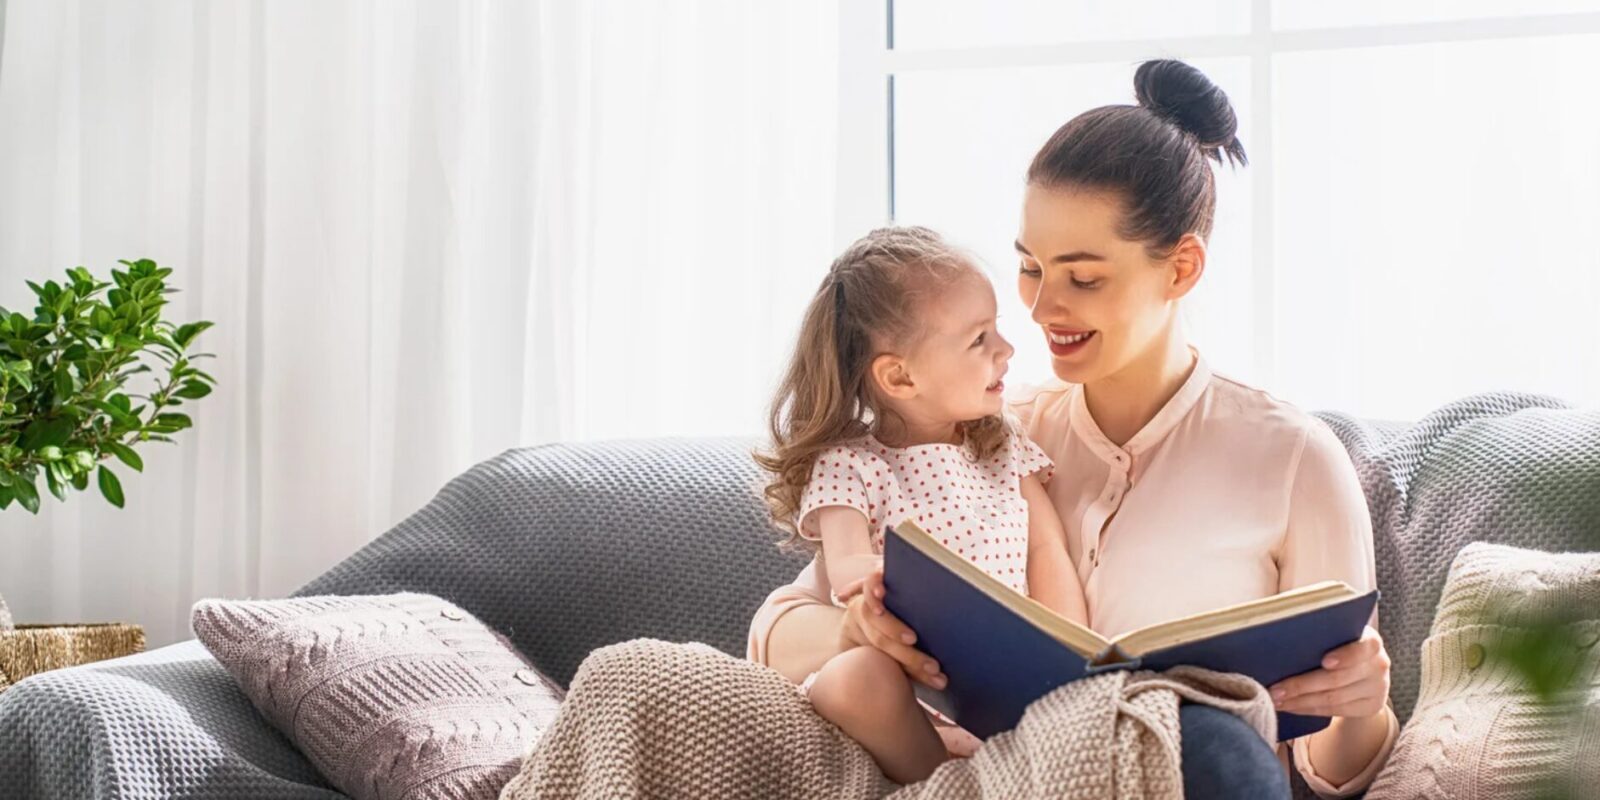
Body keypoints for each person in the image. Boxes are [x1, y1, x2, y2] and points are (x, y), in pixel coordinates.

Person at [747, 59, 1397, 798]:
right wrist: (853, 632)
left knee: (1210, 740)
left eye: (1082, 278)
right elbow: (779, 629)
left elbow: (1329, 772)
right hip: (999, 775)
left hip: (1194, 779)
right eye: (1030, 267)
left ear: (1181, 268)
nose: (1041, 307)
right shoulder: (980, 431)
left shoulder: (1294, 460)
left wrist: (1362, 712)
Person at [751, 225, 1090, 783]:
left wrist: (1071, 655)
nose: (1005, 349)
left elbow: (1046, 545)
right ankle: (949, 787)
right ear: (900, 376)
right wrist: (898, 592)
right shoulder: (852, 464)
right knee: (854, 677)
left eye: (997, 330)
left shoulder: (1003, 447)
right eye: (979, 339)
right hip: (906, 682)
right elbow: (849, 569)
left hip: (1000, 687)